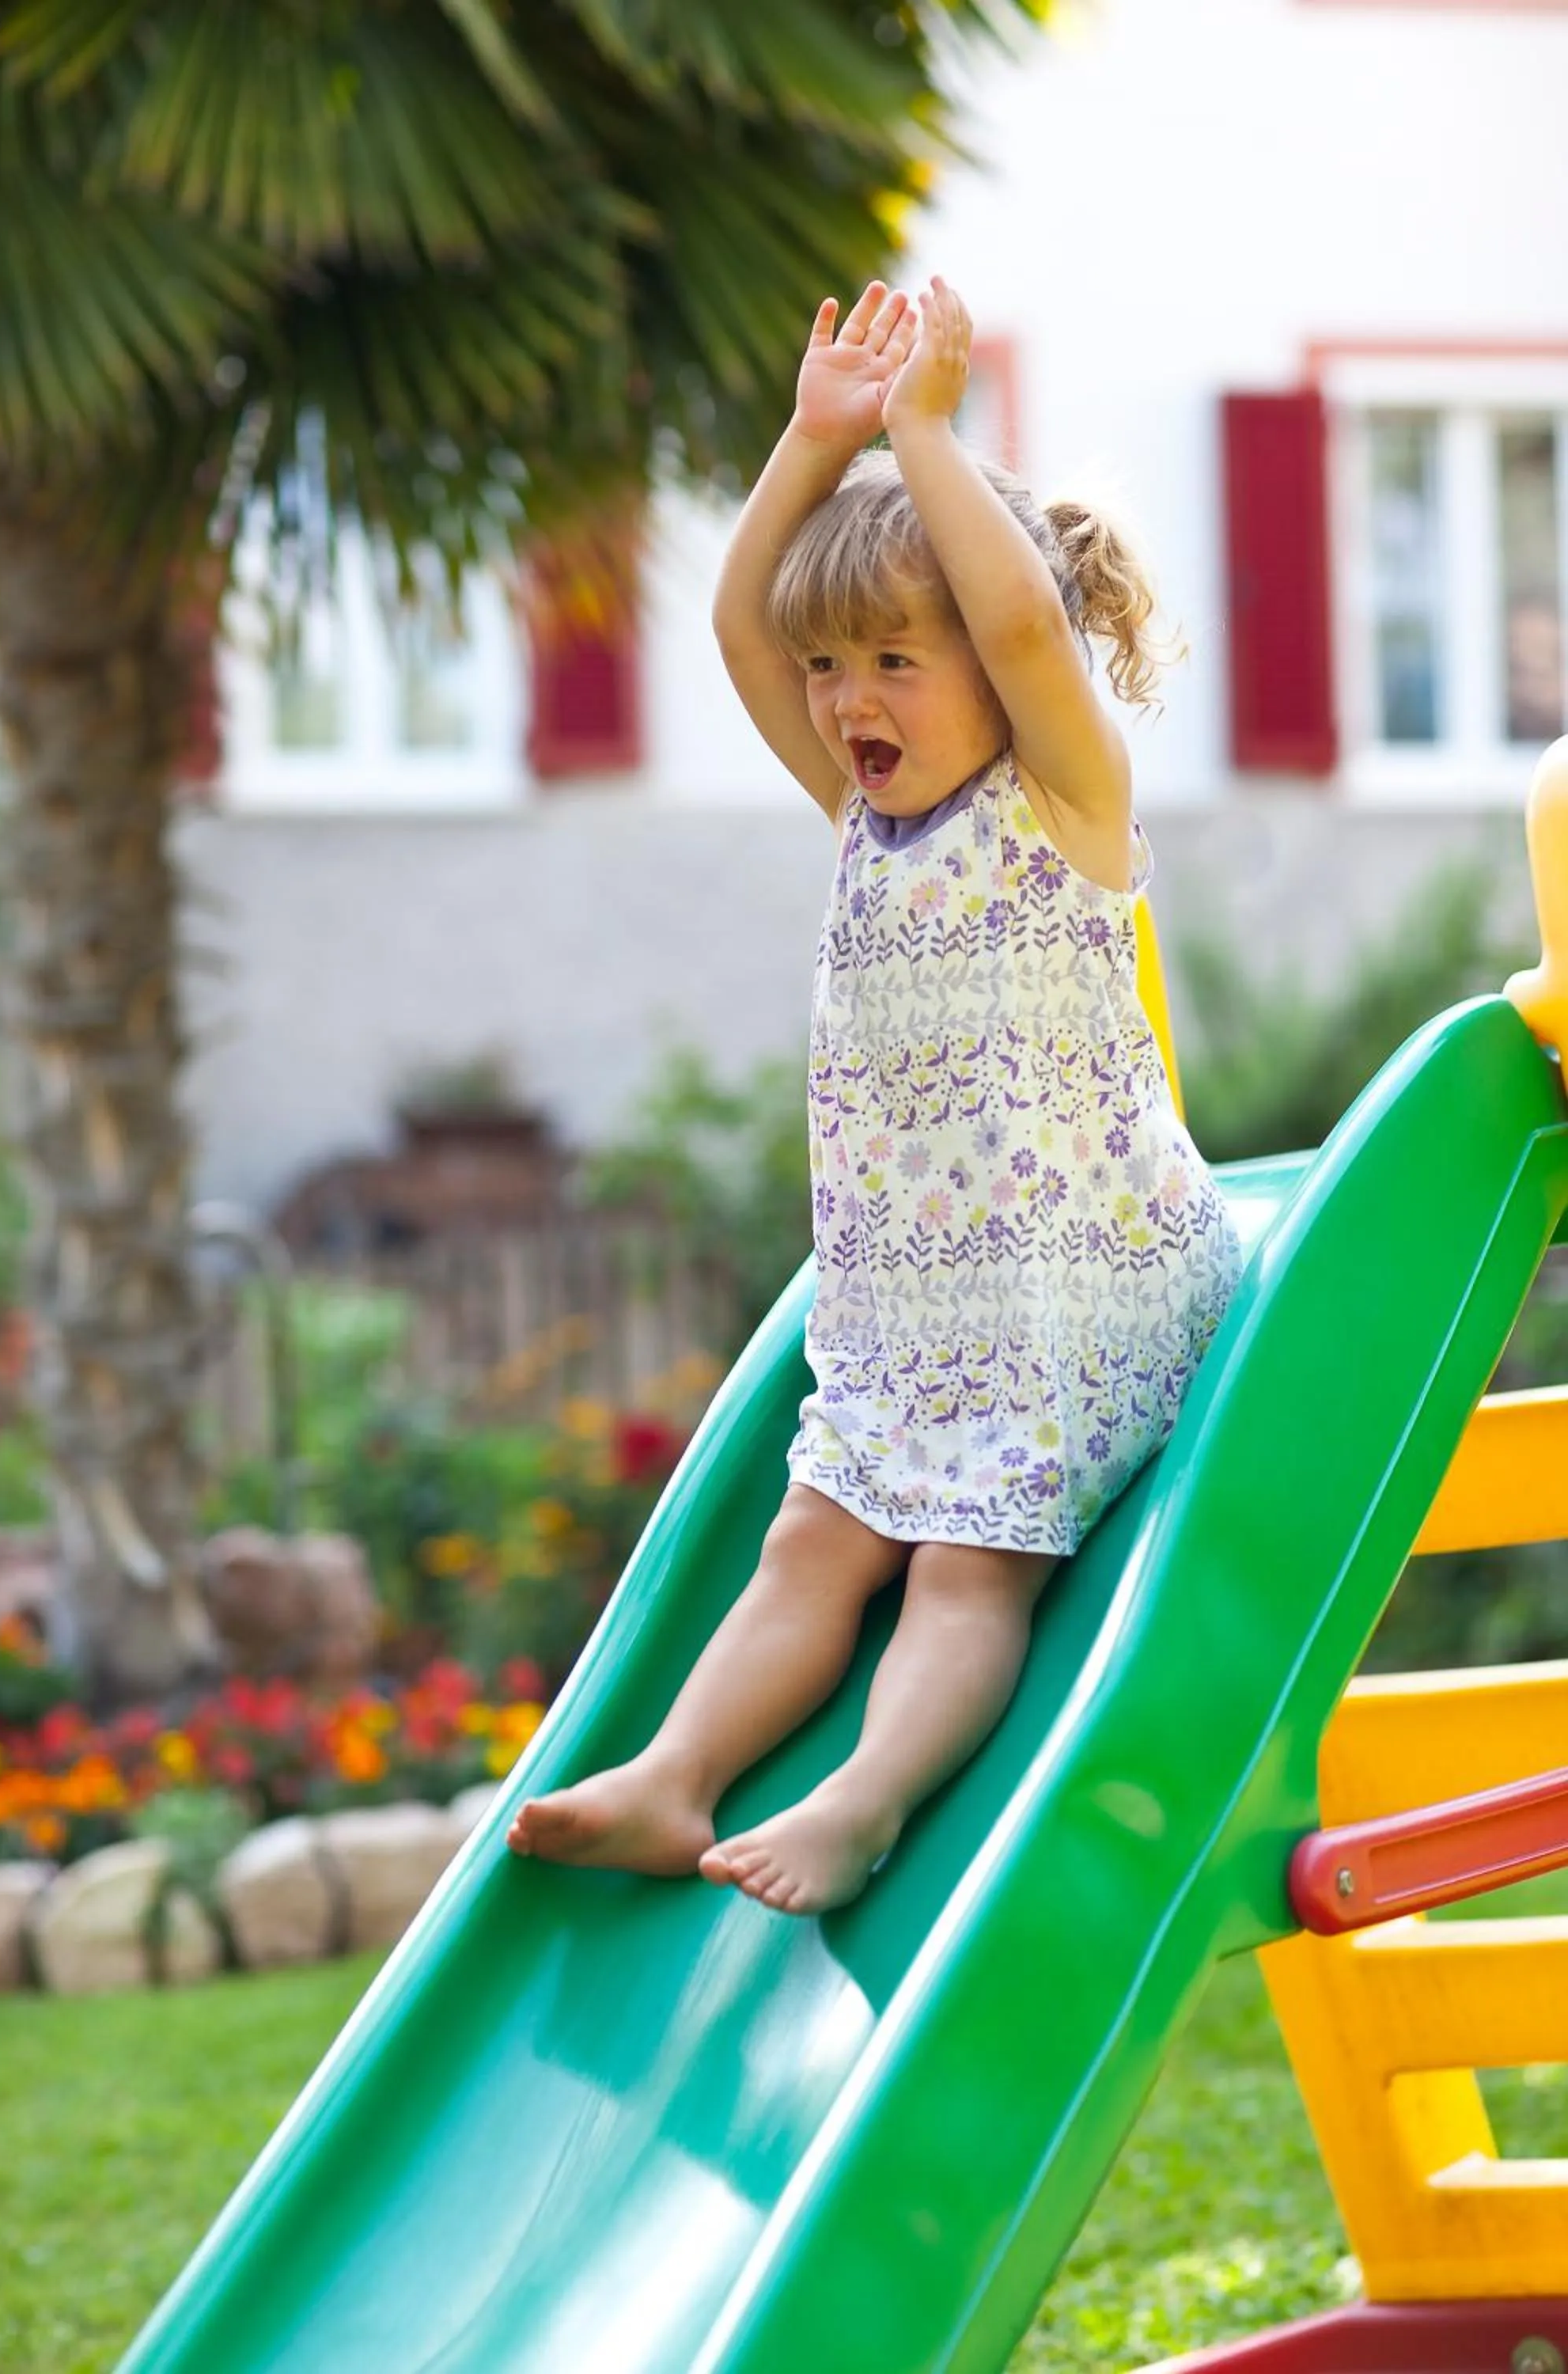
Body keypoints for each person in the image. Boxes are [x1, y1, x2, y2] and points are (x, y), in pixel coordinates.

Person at [508, 277, 1243, 1915]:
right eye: (831, 667)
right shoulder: (861, 825)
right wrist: (811, 437)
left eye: (896, 660)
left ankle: (866, 1800)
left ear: (989, 667)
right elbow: (730, 625)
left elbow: (1032, 631)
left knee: (966, 1573)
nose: (850, 703)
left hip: (1083, 1289)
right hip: (916, 1309)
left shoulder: (1064, 804)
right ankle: (674, 1775)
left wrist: (923, 438)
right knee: (809, 1546)